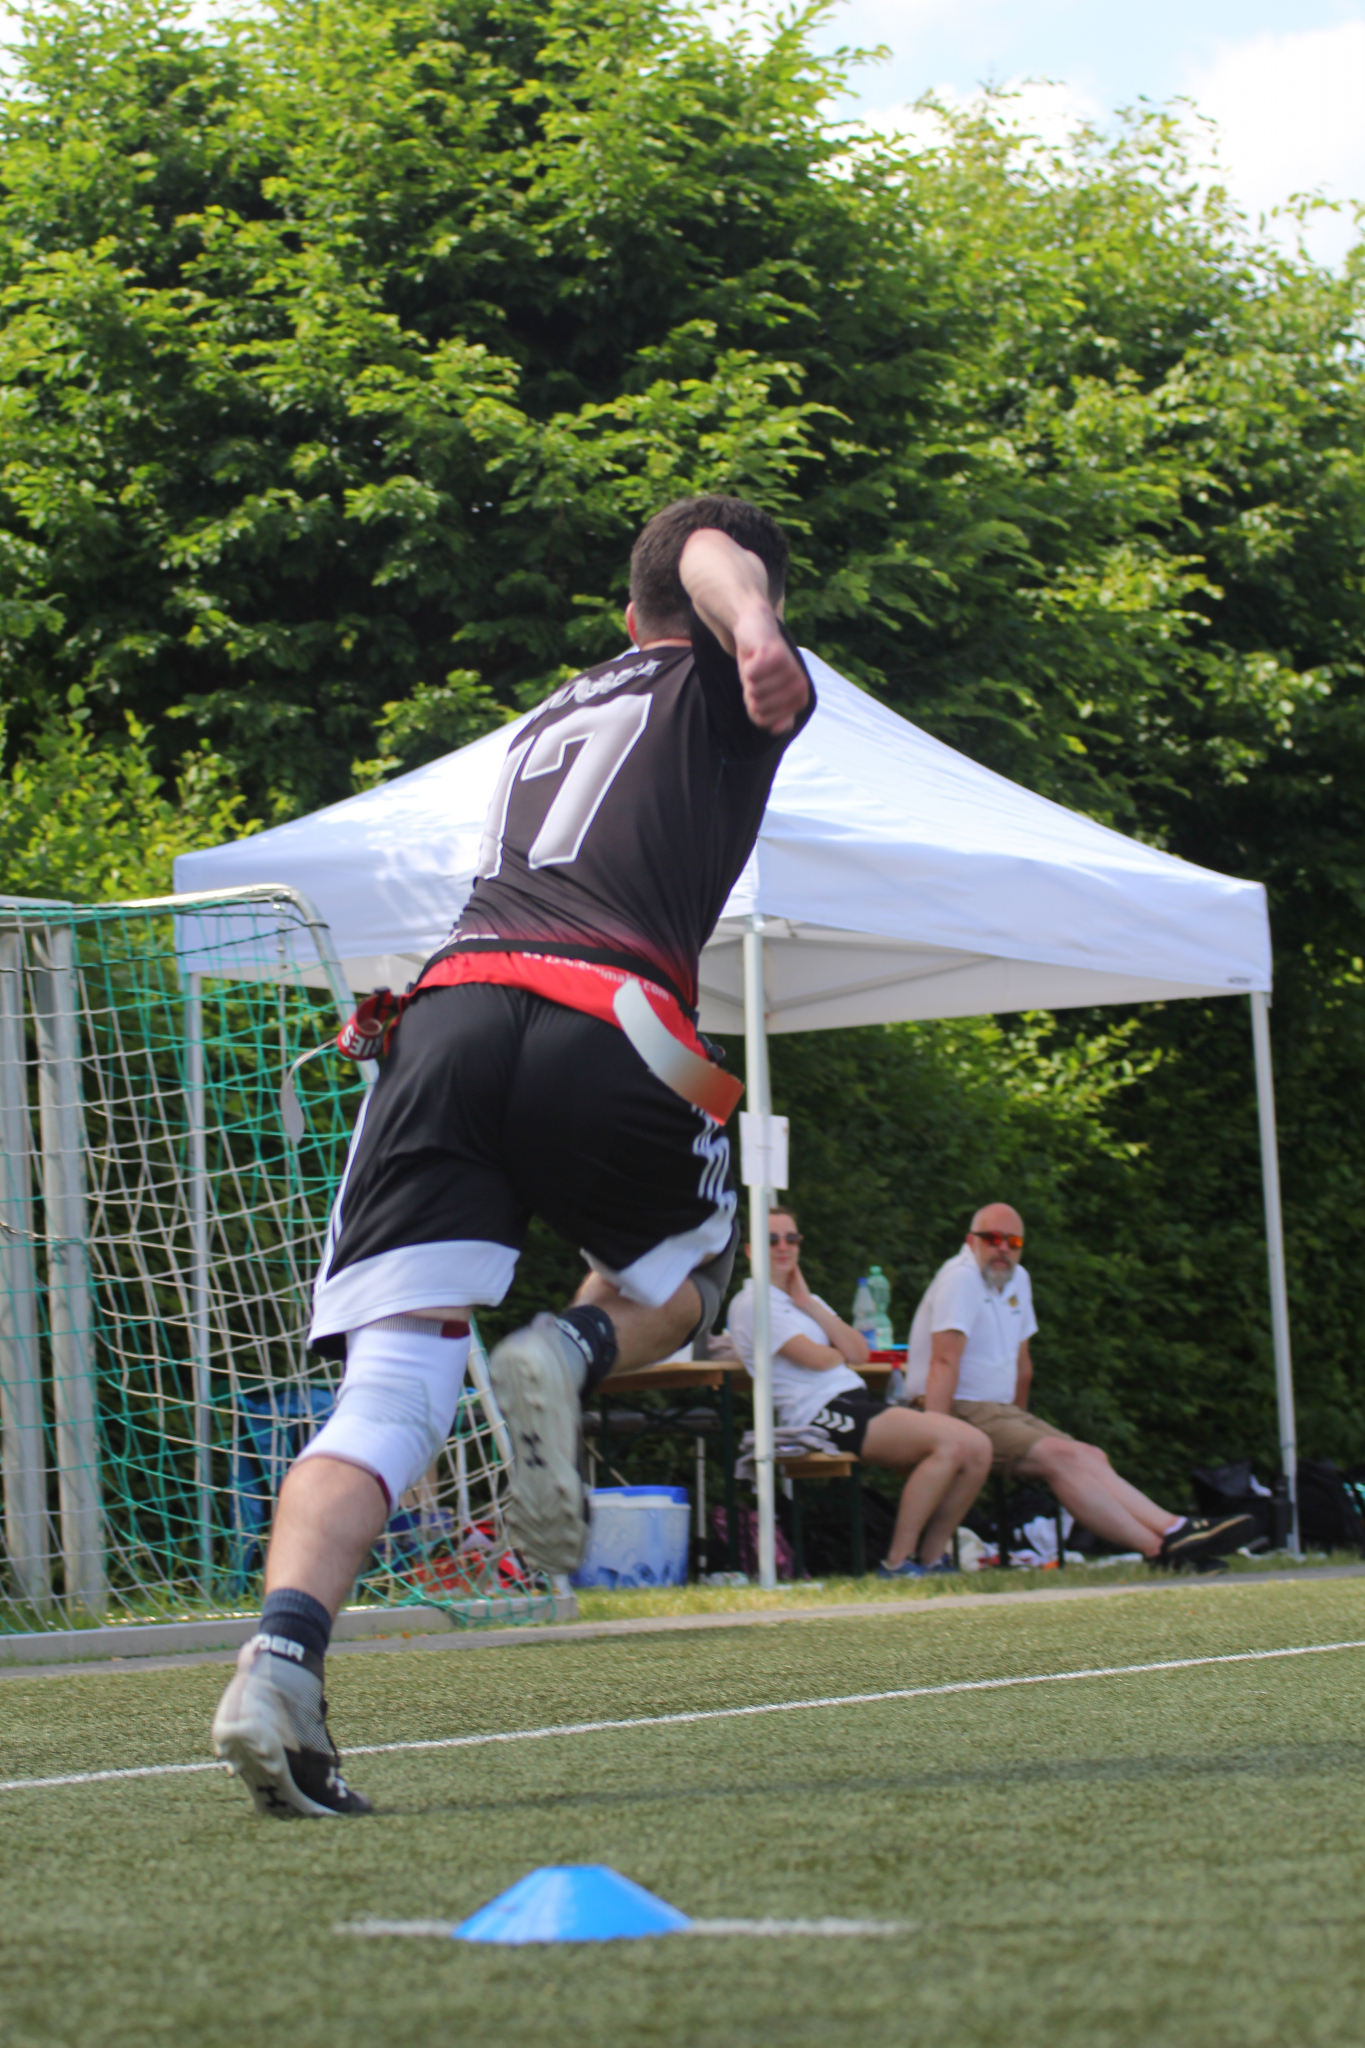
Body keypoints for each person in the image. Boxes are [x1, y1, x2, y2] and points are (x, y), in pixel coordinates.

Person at [211, 494, 816, 1817]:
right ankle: (572, 1348)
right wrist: (760, 625)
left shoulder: (551, 713)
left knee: (390, 1391)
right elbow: (710, 554)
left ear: (623, 616)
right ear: (723, 608)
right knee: (693, 1276)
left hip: (444, 1015)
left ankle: (282, 1659)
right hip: (611, 1014)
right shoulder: (723, 678)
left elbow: (680, 568)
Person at [904, 1202, 1256, 1571]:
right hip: (955, 1407)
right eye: (993, 1239)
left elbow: (1023, 1367)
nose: (1003, 1248)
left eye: (1013, 1241)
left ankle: (1168, 1548)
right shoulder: (960, 1278)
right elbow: (944, 1362)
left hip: (999, 1412)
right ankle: (1173, 1534)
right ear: (970, 1241)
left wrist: (1019, 1425)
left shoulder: (1018, 1279)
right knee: (1063, 1456)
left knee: (1089, 1456)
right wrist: (938, 1432)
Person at [726, 1208, 992, 1578]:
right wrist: (839, 1351)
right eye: (771, 1240)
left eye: (791, 1238)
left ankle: (933, 1560)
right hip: (818, 1413)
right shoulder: (751, 1304)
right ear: (751, 1250)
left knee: (979, 1448)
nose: (783, 1247)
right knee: (948, 1445)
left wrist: (810, 1305)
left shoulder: (805, 1300)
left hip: (853, 1401)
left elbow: (860, 1351)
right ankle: (897, 1563)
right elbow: (818, 1358)